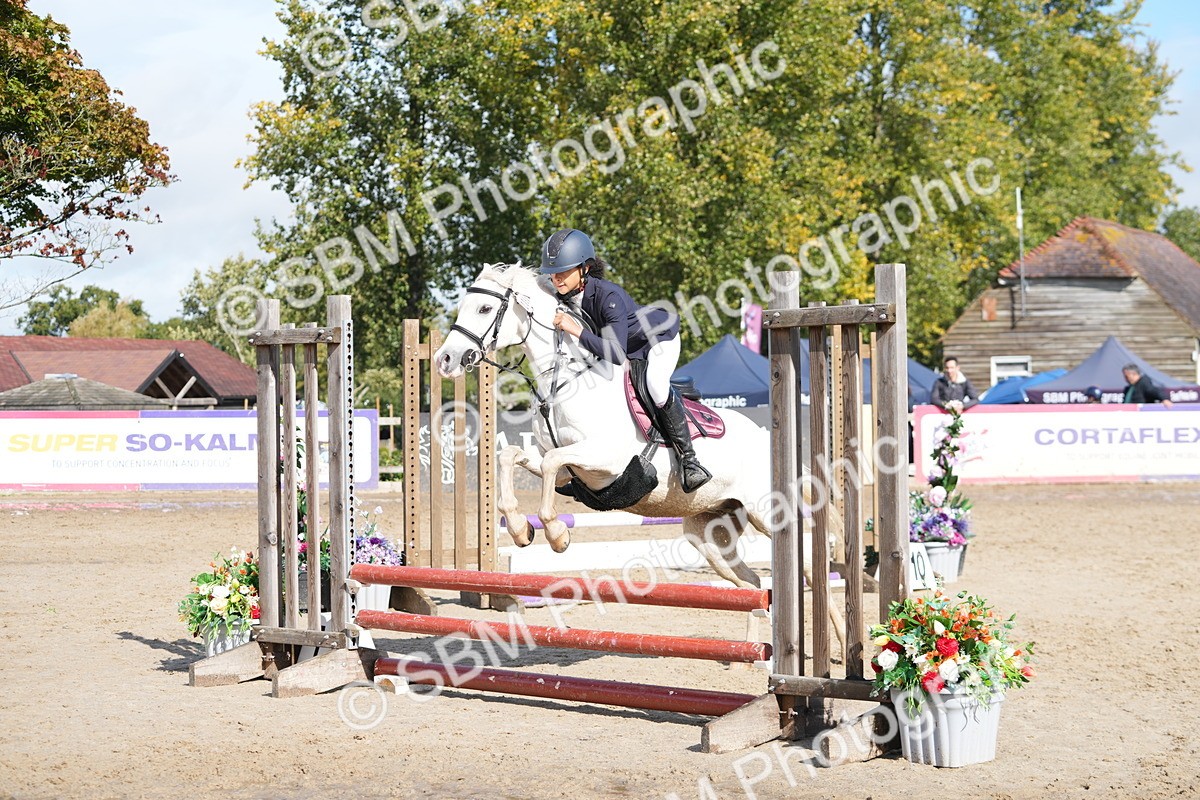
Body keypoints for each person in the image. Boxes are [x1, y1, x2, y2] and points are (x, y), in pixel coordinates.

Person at [539, 228, 712, 492]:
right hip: (624, 346)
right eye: (553, 272)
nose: (556, 277)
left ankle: (690, 461)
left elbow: (616, 354)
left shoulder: (609, 296)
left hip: (657, 339)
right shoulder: (565, 296)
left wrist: (576, 330)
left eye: (563, 270)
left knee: (654, 384)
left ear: (584, 269)